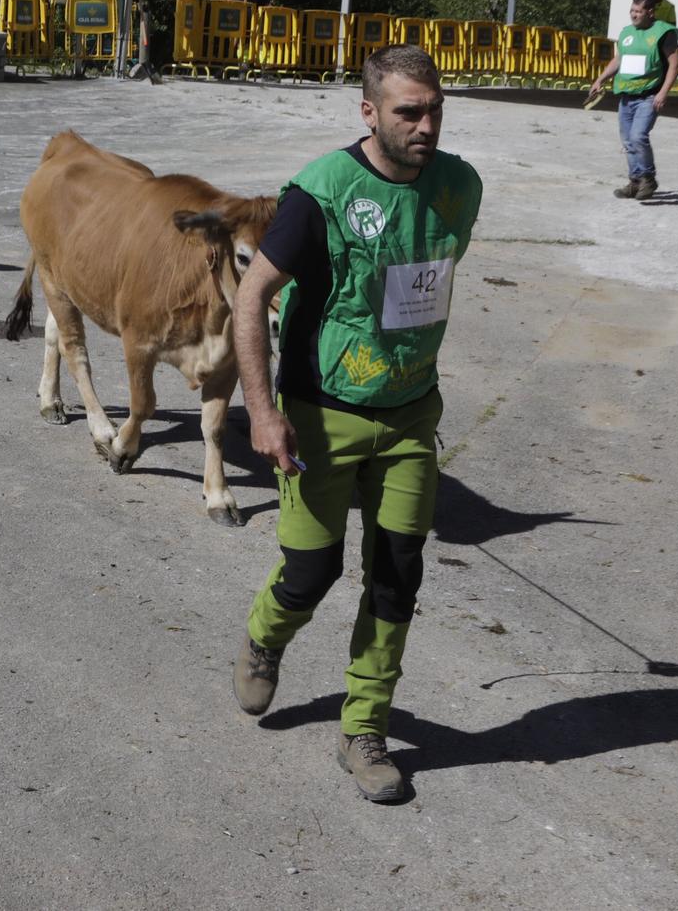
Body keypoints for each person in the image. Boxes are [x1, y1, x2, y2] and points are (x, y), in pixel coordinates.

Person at [229, 43, 481, 804]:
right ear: (368, 111)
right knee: (313, 570)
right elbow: (251, 299)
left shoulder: (459, 187)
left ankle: (363, 727)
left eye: (435, 108)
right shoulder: (323, 192)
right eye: (409, 111)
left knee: (397, 572)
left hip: (409, 418)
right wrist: (263, 414)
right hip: (320, 416)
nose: (426, 125)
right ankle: (265, 638)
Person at [591, 0, 678, 199]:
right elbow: (619, 59)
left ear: (650, 12)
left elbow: (675, 65)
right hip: (626, 96)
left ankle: (648, 178)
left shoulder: (663, 32)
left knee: (638, 136)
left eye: (638, 11)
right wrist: (600, 79)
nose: (633, 15)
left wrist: (663, 93)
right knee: (628, 142)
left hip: (649, 95)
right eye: (632, 10)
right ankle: (635, 181)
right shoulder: (626, 33)